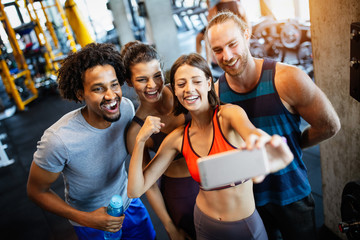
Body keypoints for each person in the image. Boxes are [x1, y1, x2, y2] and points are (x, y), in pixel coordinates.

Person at [127, 53, 294, 240]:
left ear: (208, 83)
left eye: (196, 81)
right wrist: (140, 139)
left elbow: (252, 133)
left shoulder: (229, 115)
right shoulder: (177, 139)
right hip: (205, 224)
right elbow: (135, 190)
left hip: (245, 226)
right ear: (174, 90)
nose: (189, 89)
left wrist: (264, 142)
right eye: (181, 84)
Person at [205, 11, 341, 240]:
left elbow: (329, 126)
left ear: (246, 35)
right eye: (218, 50)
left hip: (292, 194)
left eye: (232, 44)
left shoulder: (288, 78)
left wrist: (291, 146)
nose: (226, 56)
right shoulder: (217, 94)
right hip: (249, 201)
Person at [26, 43, 156, 240]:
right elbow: (36, 191)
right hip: (90, 220)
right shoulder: (58, 140)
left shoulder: (126, 109)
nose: (111, 96)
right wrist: (86, 219)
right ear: (80, 94)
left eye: (114, 84)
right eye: (98, 89)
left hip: (129, 204)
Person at [121, 41, 198, 239]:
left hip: (214, 178)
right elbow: (150, 186)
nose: (152, 85)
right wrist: (170, 228)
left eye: (157, 76)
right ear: (129, 82)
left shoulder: (183, 91)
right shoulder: (136, 131)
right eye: (141, 79)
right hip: (182, 193)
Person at [196, 0, 250, 67]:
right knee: (199, 37)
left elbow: (247, 24)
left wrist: (247, 42)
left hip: (228, 27)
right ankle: (205, 63)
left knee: (204, 38)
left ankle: (208, 62)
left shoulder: (237, 5)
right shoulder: (215, 7)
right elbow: (210, 25)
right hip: (216, 26)